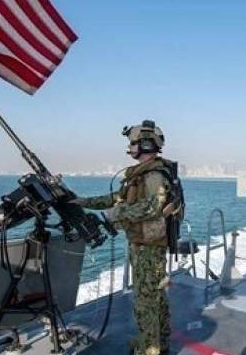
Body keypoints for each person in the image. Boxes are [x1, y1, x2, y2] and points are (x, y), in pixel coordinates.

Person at [73, 120, 182, 355]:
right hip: (144, 245)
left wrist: (116, 214)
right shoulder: (141, 175)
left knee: (146, 301)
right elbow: (118, 198)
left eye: (132, 143)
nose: (129, 148)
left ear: (145, 144)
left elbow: (152, 207)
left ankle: (149, 349)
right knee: (155, 297)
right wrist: (84, 202)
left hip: (148, 249)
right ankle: (159, 343)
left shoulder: (153, 175)